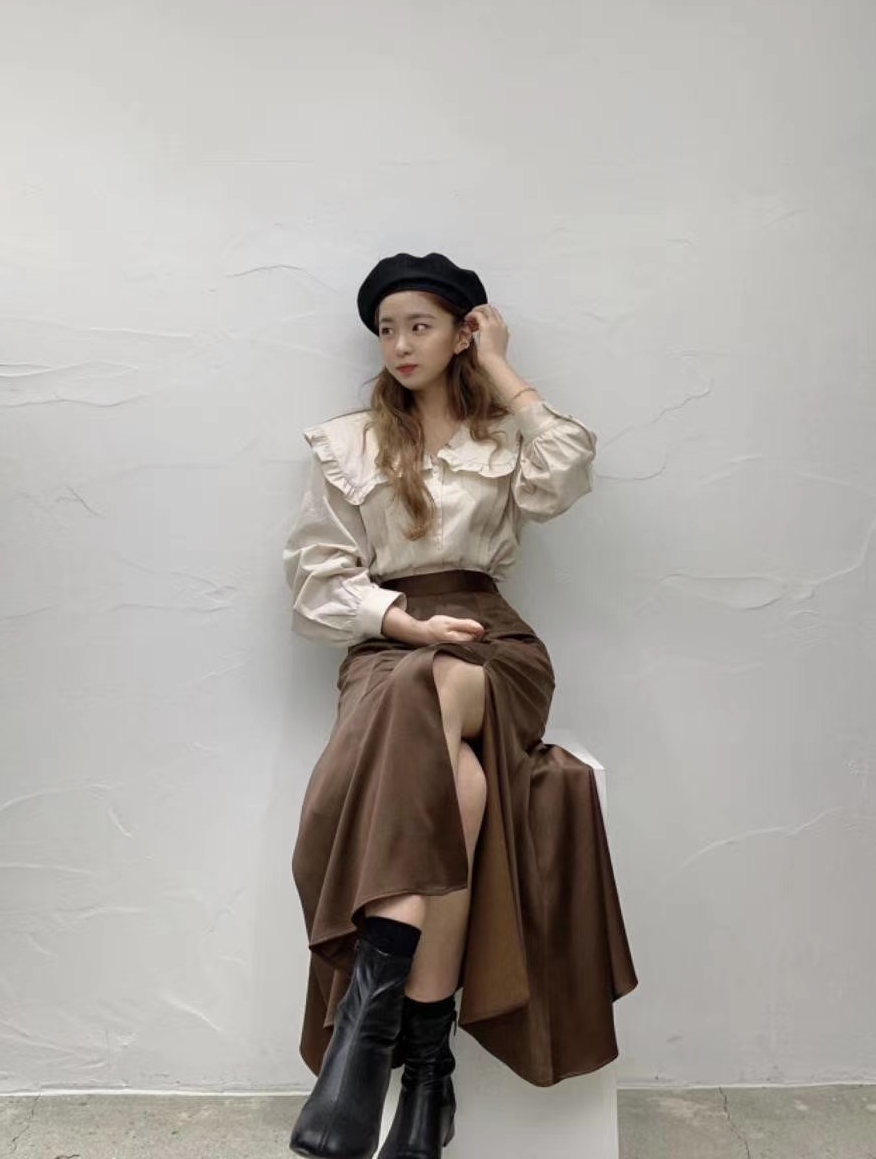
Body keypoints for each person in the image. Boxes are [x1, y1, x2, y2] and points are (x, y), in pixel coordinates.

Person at [283, 251, 638, 1159]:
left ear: (460, 332)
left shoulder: (502, 439)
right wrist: (404, 623)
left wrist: (502, 368)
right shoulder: (346, 443)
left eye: (422, 326)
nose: (401, 344)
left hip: (491, 650)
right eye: (386, 329)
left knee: (436, 681)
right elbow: (316, 585)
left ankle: (362, 1045)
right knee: (460, 784)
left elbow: (570, 468)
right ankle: (427, 1079)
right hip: (387, 649)